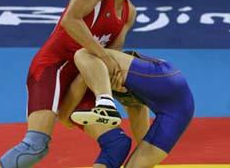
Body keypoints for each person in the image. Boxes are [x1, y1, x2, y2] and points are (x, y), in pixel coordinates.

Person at [0, 0, 152, 167]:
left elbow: (108, 59)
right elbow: (71, 20)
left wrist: (111, 74)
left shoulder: (129, 13)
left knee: (117, 145)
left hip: (82, 77)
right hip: (53, 67)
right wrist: (105, 58)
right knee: (35, 146)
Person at [59, 49, 195, 167]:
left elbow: (84, 74)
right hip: (180, 107)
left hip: (165, 78)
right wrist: (144, 148)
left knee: (85, 54)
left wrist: (65, 117)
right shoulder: (127, 94)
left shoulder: (93, 67)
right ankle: (106, 101)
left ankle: (105, 102)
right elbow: (137, 110)